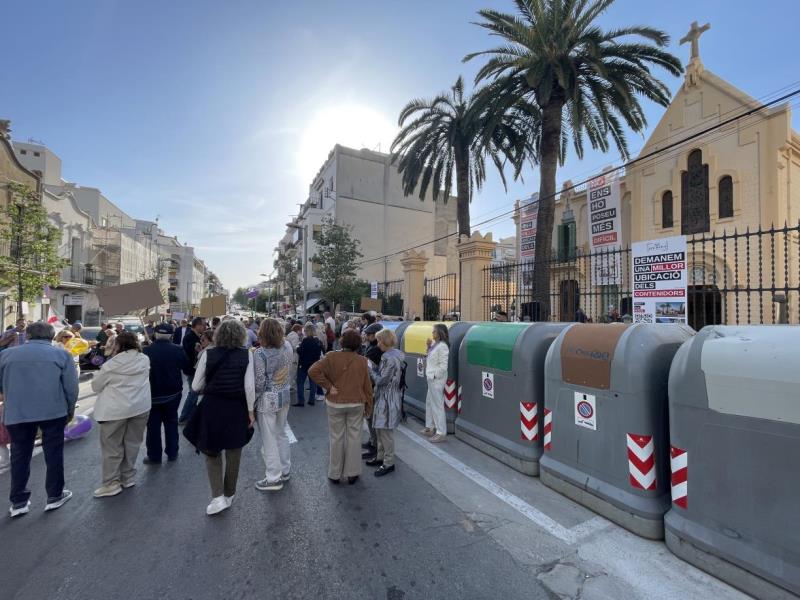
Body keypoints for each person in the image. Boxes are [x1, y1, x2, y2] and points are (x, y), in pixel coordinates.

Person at [0, 322, 78, 517]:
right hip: (53, 411)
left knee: (19, 456)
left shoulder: (6, 355)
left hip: (17, 413)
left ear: (27, 335)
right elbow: (71, 388)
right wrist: (69, 410)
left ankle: (18, 502)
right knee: (53, 454)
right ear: (52, 337)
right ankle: (54, 495)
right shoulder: (62, 355)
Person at [183, 320, 255, 516]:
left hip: (212, 407)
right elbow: (249, 387)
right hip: (237, 407)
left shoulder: (208, 354)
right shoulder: (247, 354)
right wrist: (250, 412)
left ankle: (217, 496)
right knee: (234, 452)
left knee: (211, 451)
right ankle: (230, 493)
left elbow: (196, 386)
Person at [309, 329, 373, 485]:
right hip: (356, 402)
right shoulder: (362, 361)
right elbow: (367, 386)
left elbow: (313, 370)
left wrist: (329, 386)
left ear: (342, 342)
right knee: (354, 437)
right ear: (358, 344)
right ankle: (352, 473)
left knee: (336, 437)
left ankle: (335, 473)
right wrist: (369, 406)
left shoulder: (331, 356)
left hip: (335, 402)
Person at [91, 331, 151, 498]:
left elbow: (96, 386)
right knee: (132, 444)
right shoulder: (144, 359)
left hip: (114, 410)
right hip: (140, 407)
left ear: (118, 345)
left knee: (112, 447)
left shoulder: (111, 365)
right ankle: (128, 477)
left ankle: (111, 483)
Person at [253, 319, 293, 492]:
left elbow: (260, 382)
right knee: (281, 433)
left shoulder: (260, 354)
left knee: (269, 438)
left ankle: (273, 477)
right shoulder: (288, 346)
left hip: (268, 399)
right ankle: (284, 470)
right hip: (284, 395)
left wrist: (252, 400)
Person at [142, 323, 188, 464]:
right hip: (172, 394)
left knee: (153, 426)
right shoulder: (177, 349)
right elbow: (186, 368)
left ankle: (154, 456)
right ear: (171, 336)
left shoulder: (146, 351)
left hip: (152, 395)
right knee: (171, 423)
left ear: (155, 334)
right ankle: (172, 452)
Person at [366, 329, 405, 477]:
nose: (377, 343)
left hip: (386, 397)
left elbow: (382, 380)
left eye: (379, 340)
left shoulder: (389, 358)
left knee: (385, 431)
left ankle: (388, 462)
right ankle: (381, 457)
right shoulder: (393, 355)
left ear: (384, 341)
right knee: (380, 428)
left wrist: (371, 370)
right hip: (387, 396)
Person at [422, 324, 449, 443]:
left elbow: (443, 366)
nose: (432, 333)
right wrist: (428, 347)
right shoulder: (434, 345)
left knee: (437, 405)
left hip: (436, 379)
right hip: (431, 378)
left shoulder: (443, 346)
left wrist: (434, 376)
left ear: (440, 333)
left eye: (434, 331)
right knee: (429, 402)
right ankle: (430, 427)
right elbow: (431, 358)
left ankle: (441, 432)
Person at [360, 322, 384, 460]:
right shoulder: (372, 347)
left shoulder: (375, 350)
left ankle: (375, 445)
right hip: (372, 386)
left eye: (368, 334)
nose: (366, 336)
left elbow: (369, 369)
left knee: (371, 417)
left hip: (372, 386)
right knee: (370, 417)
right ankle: (373, 441)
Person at [178, 317, 205, 424]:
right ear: (197, 325)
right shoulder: (190, 337)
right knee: (193, 393)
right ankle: (184, 417)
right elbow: (191, 354)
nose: (205, 327)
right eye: (203, 325)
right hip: (192, 369)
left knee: (194, 393)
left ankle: (191, 417)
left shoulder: (195, 336)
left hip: (194, 369)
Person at [295, 323, 323, 407]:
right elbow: (322, 351)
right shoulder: (318, 341)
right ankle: (311, 400)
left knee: (300, 383)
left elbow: (301, 352)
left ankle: (301, 401)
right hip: (314, 364)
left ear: (307, 331)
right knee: (313, 383)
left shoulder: (305, 340)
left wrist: (297, 348)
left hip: (303, 364)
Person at [286, 324, 302, 400]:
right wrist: (300, 345)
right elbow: (295, 346)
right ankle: (290, 386)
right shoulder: (295, 336)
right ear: (298, 330)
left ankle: (289, 385)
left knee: (289, 371)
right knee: (293, 372)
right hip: (294, 356)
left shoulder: (290, 334)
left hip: (289, 355)